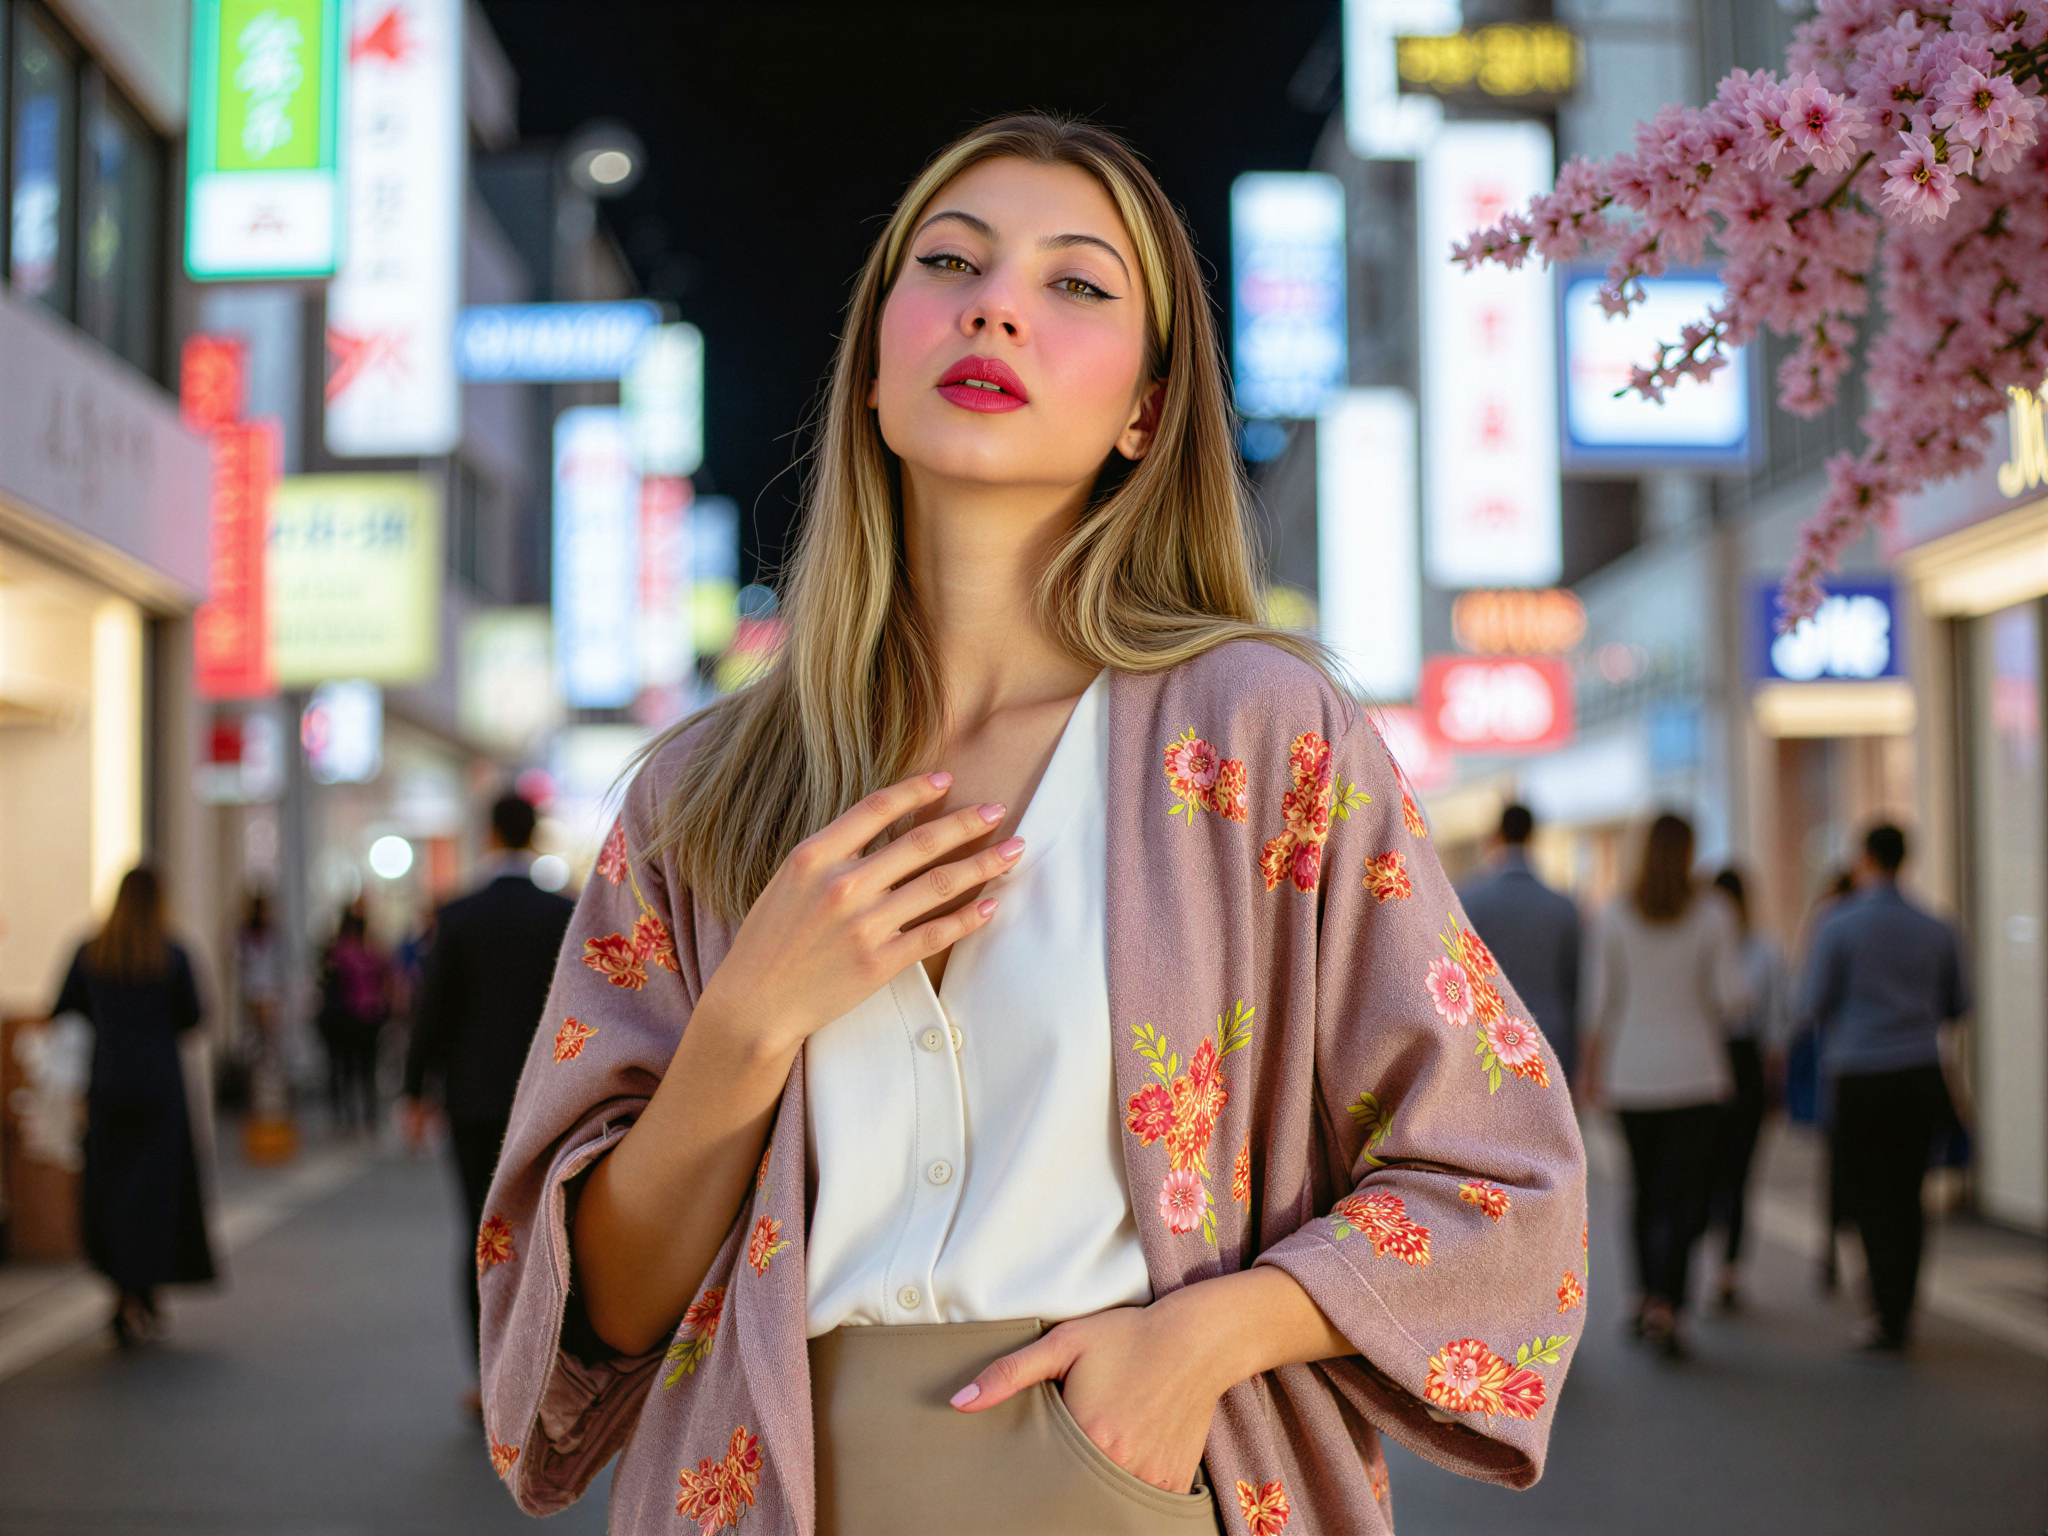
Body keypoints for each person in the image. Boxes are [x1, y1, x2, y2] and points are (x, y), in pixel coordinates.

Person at [474, 115, 1587, 1534]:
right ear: (875, 366)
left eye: (1076, 284)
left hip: (1135, 1479)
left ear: (1143, 409)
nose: (994, 301)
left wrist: (1208, 1338)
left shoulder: (1259, 734)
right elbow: (603, 1317)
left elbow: (1505, 1174)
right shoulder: (701, 794)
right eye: (949, 262)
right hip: (766, 1488)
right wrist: (747, 1026)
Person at [401, 793, 574, 1404]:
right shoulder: (564, 913)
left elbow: (433, 1008)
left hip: (471, 1098)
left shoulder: (458, 913)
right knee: (546, 1233)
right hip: (549, 1098)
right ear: (532, 835)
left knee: (481, 1232)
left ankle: (486, 1377)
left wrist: (414, 1090)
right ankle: (544, 1372)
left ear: (490, 833)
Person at [1582, 814, 1746, 1358]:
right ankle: (1670, 1303)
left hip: (1631, 1072)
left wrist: (1592, 1073)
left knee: (1642, 1189)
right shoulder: (1713, 914)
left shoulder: (1615, 915)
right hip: (1697, 1073)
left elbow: (1599, 1005)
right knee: (1685, 1196)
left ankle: (1642, 1296)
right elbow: (1730, 998)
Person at [1799, 823, 1968, 1351]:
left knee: (1868, 1192)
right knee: (1909, 1193)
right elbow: (1959, 1003)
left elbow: (1812, 1001)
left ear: (1866, 858)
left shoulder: (1839, 923)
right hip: (1920, 1073)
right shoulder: (1938, 926)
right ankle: (1903, 1306)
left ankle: (1880, 1309)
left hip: (1859, 1076)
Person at [52, 867, 217, 1347]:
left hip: (107, 1084)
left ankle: (123, 1288)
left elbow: (62, 1008)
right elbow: (194, 1016)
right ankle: (147, 1287)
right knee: (157, 1192)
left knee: (112, 1187)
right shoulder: (173, 953)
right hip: (160, 1086)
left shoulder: (91, 951)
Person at [1705, 866, 1791, 1310]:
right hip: (1703, 1060)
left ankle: (1730, 1269)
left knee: (1739, 1173)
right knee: (1704, 1172)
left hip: (1747, 1061)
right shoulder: (1698, 943)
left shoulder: (1766, 952)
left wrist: (1775, 1086)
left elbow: (1777, 1025)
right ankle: (1703, 1253)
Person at [1458, 803, 1581, 1091]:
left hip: (1487, 1042)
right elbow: (1574, 986)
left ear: (1497, 835)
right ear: (1532, 836)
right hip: (1551, 1040)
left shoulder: (1468, 901)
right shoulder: (1563, 907)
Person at [316, 902, 391, 1133]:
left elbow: (329, 985)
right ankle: (369, 1117)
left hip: (345, 1019)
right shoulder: (372, 952)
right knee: (367, 1071)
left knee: (343, 1070)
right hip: (370, 1018)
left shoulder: (337, 952)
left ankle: (346, 1118)